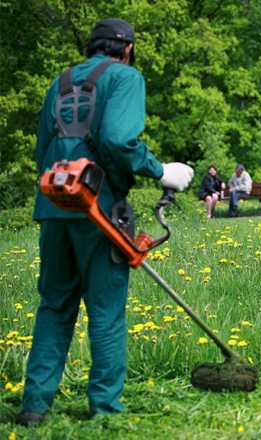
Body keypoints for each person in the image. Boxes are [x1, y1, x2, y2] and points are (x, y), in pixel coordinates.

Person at [17, 18, 194, 426]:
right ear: (127, 48)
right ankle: (104, 410)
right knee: (106, 311)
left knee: (54, 306)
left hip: (54, 203)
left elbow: (43, 149)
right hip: (98, 209)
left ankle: (35, 405)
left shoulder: (59, 82)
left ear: (92, 46)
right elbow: (117, 139)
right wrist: (159, 170)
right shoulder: (125, 77)